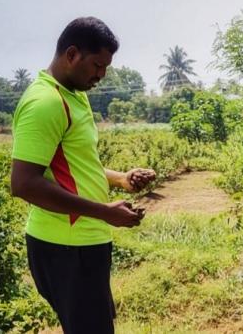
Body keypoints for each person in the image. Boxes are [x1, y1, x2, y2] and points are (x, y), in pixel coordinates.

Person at [10, 17, 155, 334]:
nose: (101, 75)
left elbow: (77, 166)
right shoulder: (45, 102)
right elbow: (24, 184)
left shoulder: (74, 95)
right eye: (97, 65)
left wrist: (121, 179)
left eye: (106, 67)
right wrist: (105, 212)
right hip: (66, 247)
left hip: (81, 243)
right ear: (72, 54)